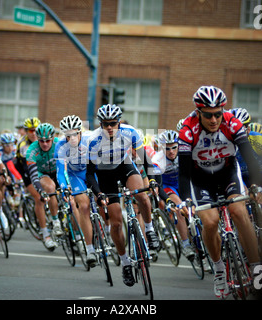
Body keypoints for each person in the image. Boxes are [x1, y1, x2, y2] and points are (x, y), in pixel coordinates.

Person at [178, 86, 262, 299]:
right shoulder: (187, 130)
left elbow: (249, 157)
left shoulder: (232, 123)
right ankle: (218, 270)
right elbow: (184, 172)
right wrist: (186, 199)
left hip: (227, 175)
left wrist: (257, 185)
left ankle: (257, 270)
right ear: (198, 112)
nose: (214, 119)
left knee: (240, 212)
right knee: (210, 221)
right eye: (208, 115)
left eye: (218, 114)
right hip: (200, 180)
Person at [86, 104, 160, 287]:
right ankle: (125, 262)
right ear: (100, 124)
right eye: (105, 124)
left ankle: (149, 230)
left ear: (119, 122)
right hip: (104, 175)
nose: (109, 127)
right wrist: (99, 193)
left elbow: (145, 160)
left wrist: (151, 181)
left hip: (123, 166)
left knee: (142, 196)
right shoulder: (93, 140)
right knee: (117, 223)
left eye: (113, 123)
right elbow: (89, 173)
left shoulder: (130, 132)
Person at [55, 115, 97, 267]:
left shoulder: (90, 139)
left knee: (103, 199)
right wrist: (64, 188)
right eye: (68, 135)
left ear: (80, 132)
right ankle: (90, 249)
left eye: (75, 134)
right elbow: (60, 172)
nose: (72, 138)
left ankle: (106, 228)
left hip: (92, 172)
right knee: (84, 207)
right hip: (75, 176)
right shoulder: (60, 146)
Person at [15, 117, 58, 250]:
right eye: (30, 130)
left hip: (48, 168)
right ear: (26, 131)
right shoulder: (24, 146)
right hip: (28, 171)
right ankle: (45, 234)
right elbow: (31, 170)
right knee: (39, 198)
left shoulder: (53, 142)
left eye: (35, 130)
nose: (33, 133)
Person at [157, 130, 194, 260]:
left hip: (183, 184)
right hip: (168, 186)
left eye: (174, 147)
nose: (171, 151)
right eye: (167, 149)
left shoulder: (185, 154)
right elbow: (156, 184)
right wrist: (166, 200)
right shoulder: (157, 160)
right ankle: (186, 244)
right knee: (179, 208)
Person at [26, 122, 63, 250]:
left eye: (48, 140)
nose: (45, 144)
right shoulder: (32, 150)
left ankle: (78, 237)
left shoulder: (60, 144)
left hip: (57, 171)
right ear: (37, 139)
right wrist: (41, 191)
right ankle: (50, 228)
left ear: (53, 138)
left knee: (73, 200)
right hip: (42, 174)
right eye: (41, 141)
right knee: (48, 189)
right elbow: (34, 176)